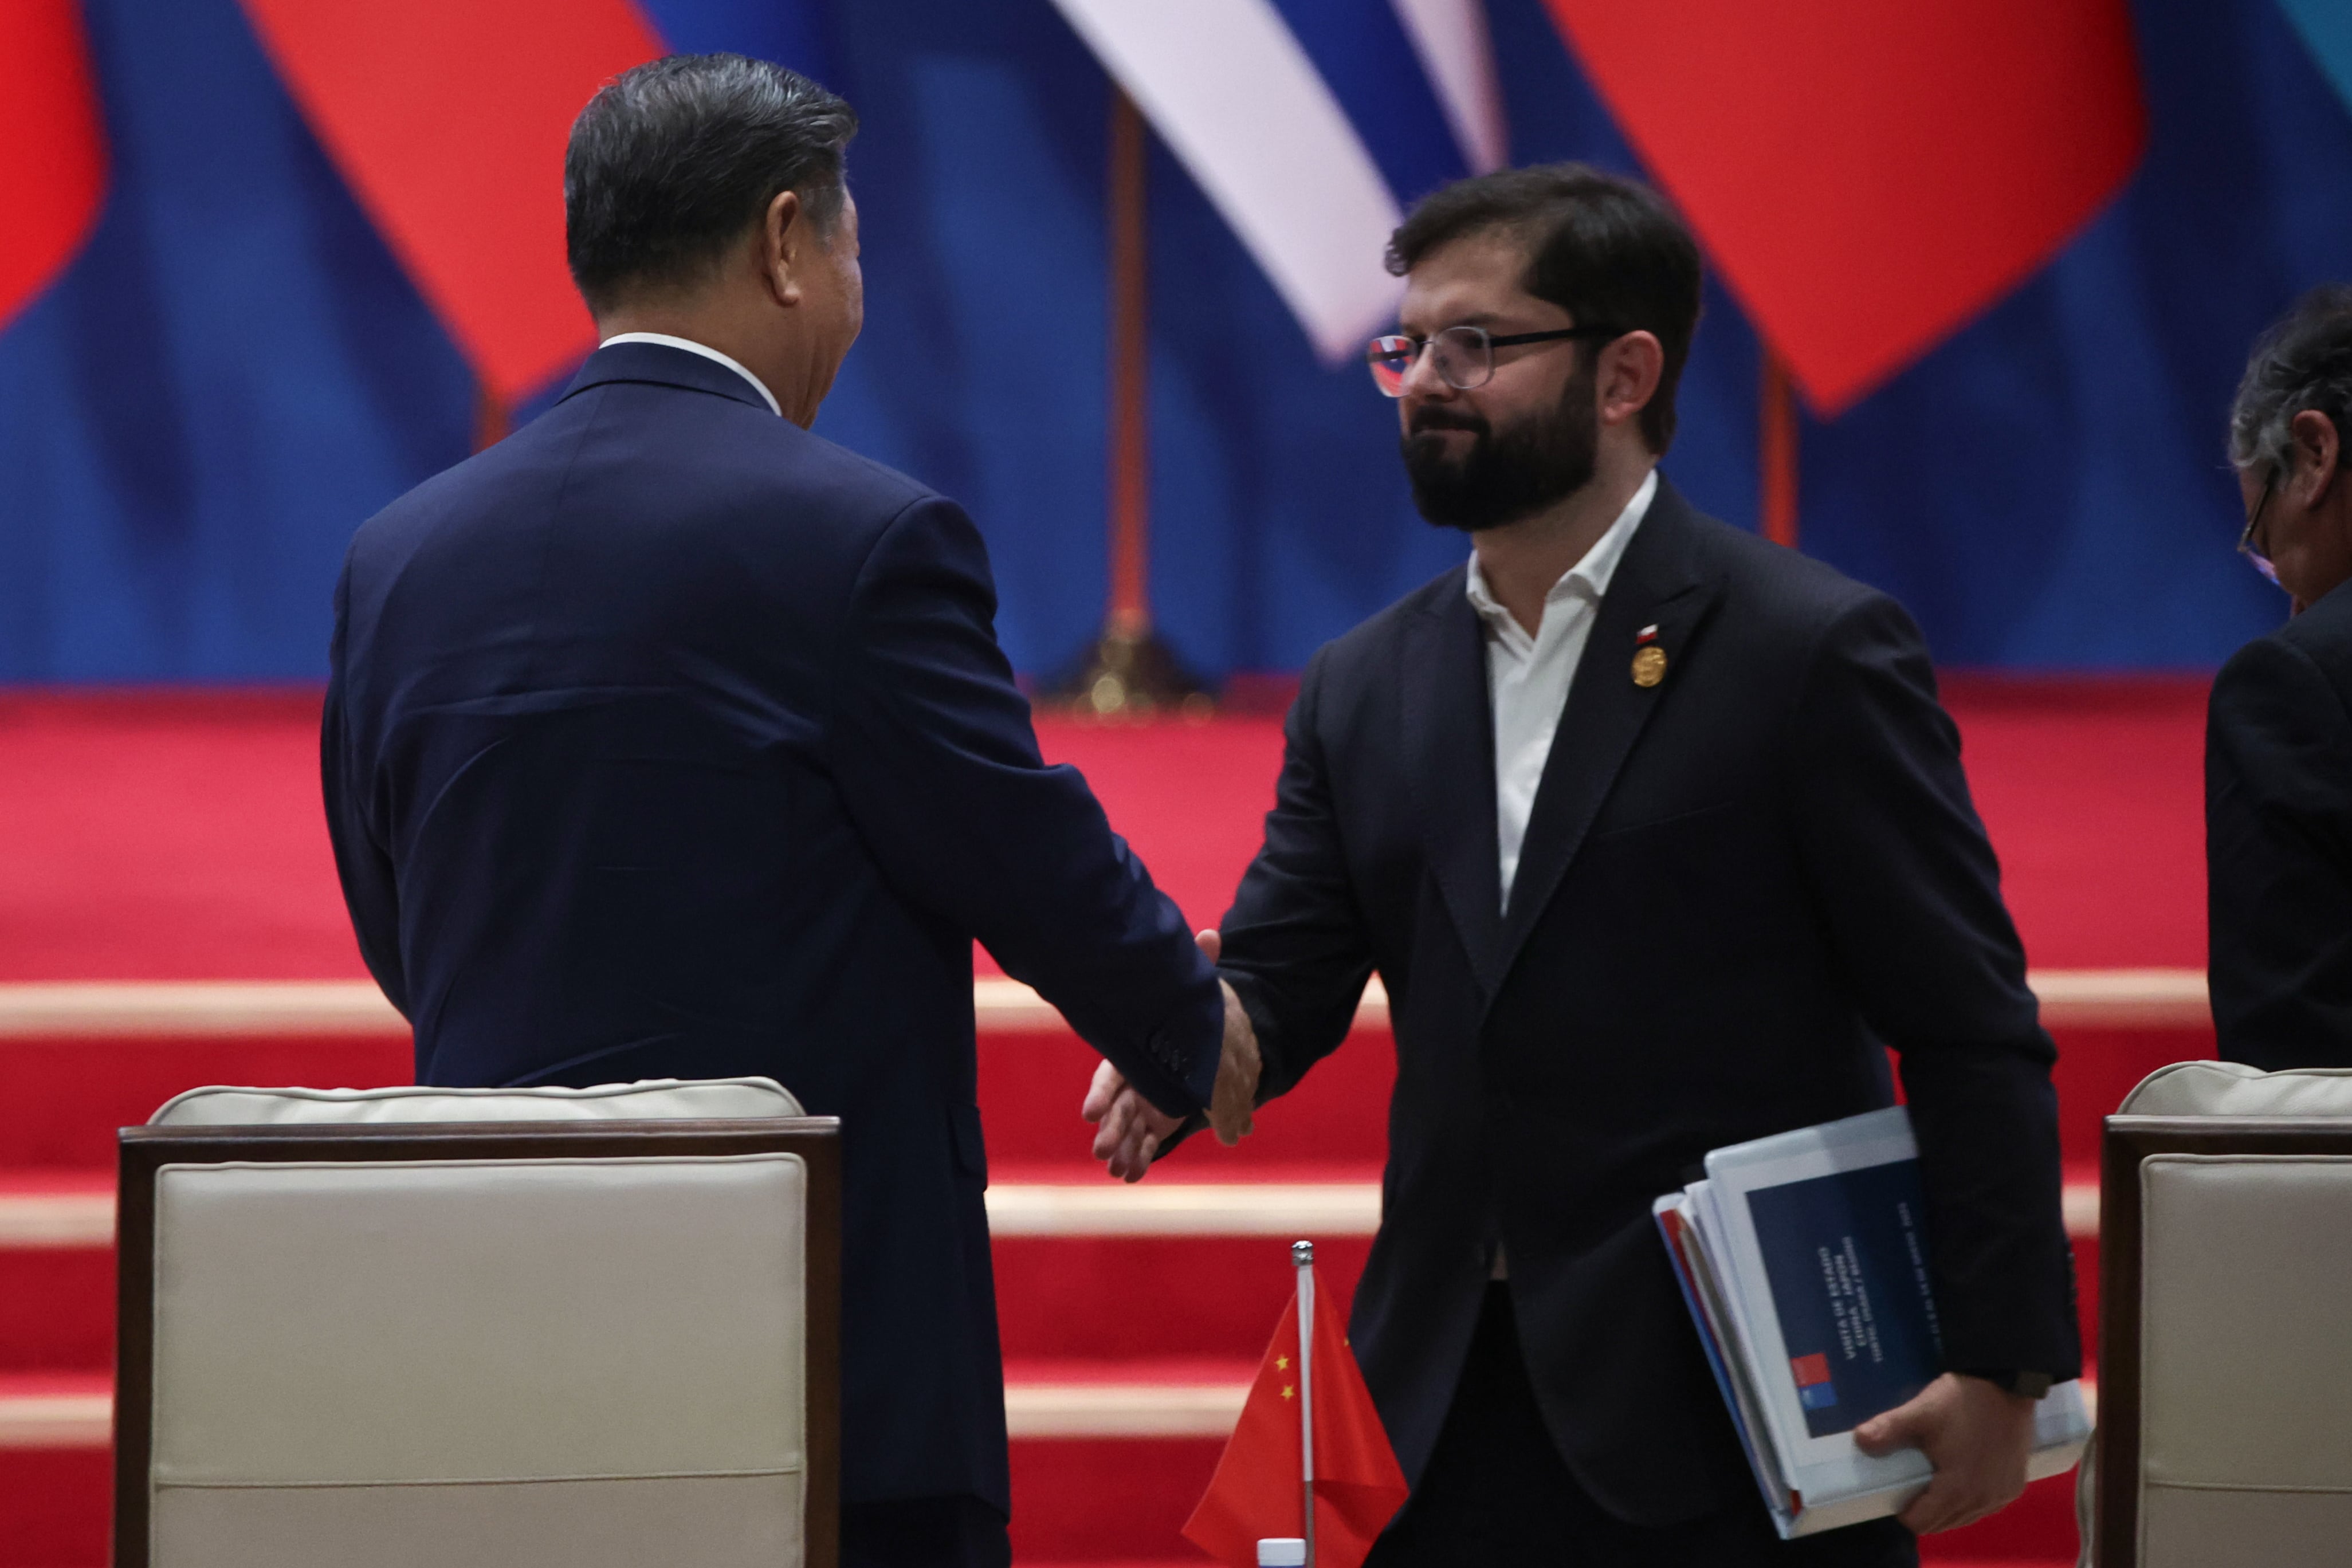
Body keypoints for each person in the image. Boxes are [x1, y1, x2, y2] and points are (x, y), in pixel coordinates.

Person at [321, 54, 1258, 1568]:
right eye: (852, 245)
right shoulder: (861, 541)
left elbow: (398, 917)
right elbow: (1014, 844)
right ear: (781, 242)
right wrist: (1184, 1028)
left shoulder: (399, 554)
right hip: (826, 1372)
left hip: (509, 1349)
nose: (851, 286)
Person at [1085, 165, 2077, 1564]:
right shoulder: (1362, 685)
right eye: (1408, 346)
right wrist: (1183, 1032)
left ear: (1623, 375)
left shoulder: (1803, 650)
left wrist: (2001, 1361)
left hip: (1727, 1406)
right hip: (1436, 1399)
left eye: (1475, 345)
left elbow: (1970, 1027)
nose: (1427, 379)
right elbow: (1285, 977)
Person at [2208, 286, 2352, 1067]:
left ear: (2315, 452)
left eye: (2262, 543)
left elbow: (2290, 1093)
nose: (2293, 602)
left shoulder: (2295, 685)